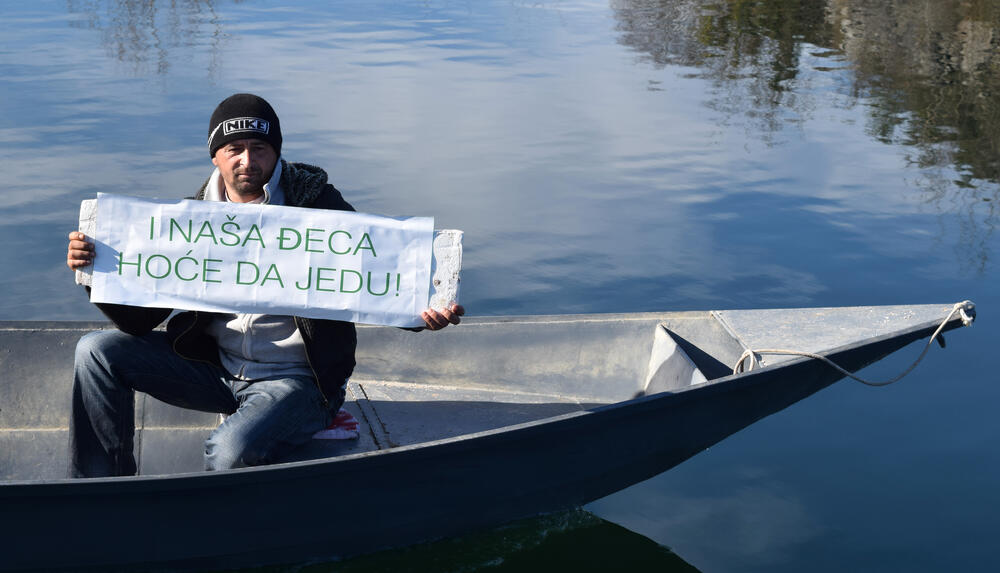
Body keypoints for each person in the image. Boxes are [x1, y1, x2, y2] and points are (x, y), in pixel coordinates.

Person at [65, 93, 463, 477]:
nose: (248, 160)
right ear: (215, 155)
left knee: (228, 454)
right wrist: (98, 272)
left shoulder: (318, 207)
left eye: (259, 147)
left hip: (298, 381)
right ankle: (101, 487)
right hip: (215, 367)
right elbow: (140, 321)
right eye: (234, 148)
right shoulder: (190, 219)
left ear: (276, 152)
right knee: (96, 351)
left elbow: (375, 275)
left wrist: (422, 313)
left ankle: (302, 428)